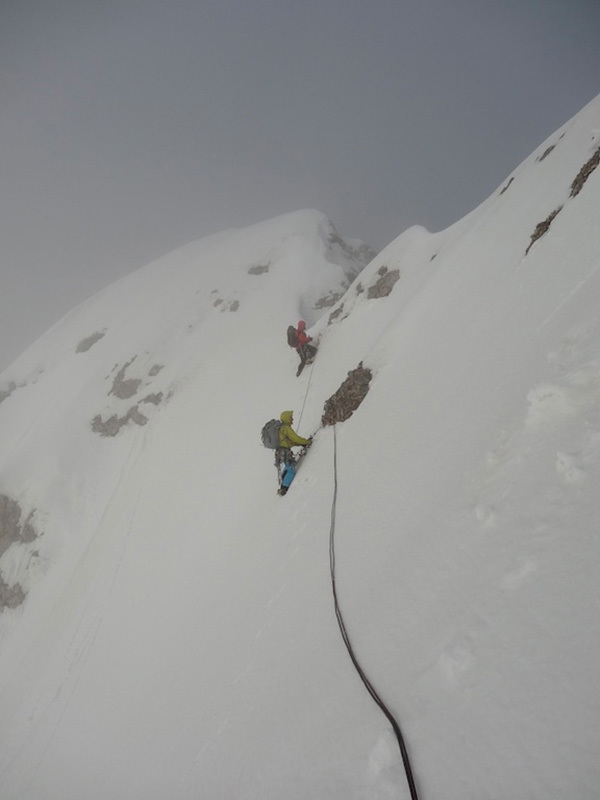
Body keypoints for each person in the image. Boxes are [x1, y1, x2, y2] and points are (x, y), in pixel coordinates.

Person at [275, 410, 312, 495]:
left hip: (280, 451)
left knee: (288, 466)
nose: (292, 419)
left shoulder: (281, 429)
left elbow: (290, 441)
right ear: (287, 418)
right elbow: (295, 439)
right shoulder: (286, 428)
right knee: (291, 470)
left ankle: (282, 485)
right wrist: (307, 442)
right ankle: (284, 488)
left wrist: (302, 443)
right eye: (291, 417)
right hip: (285, 451)